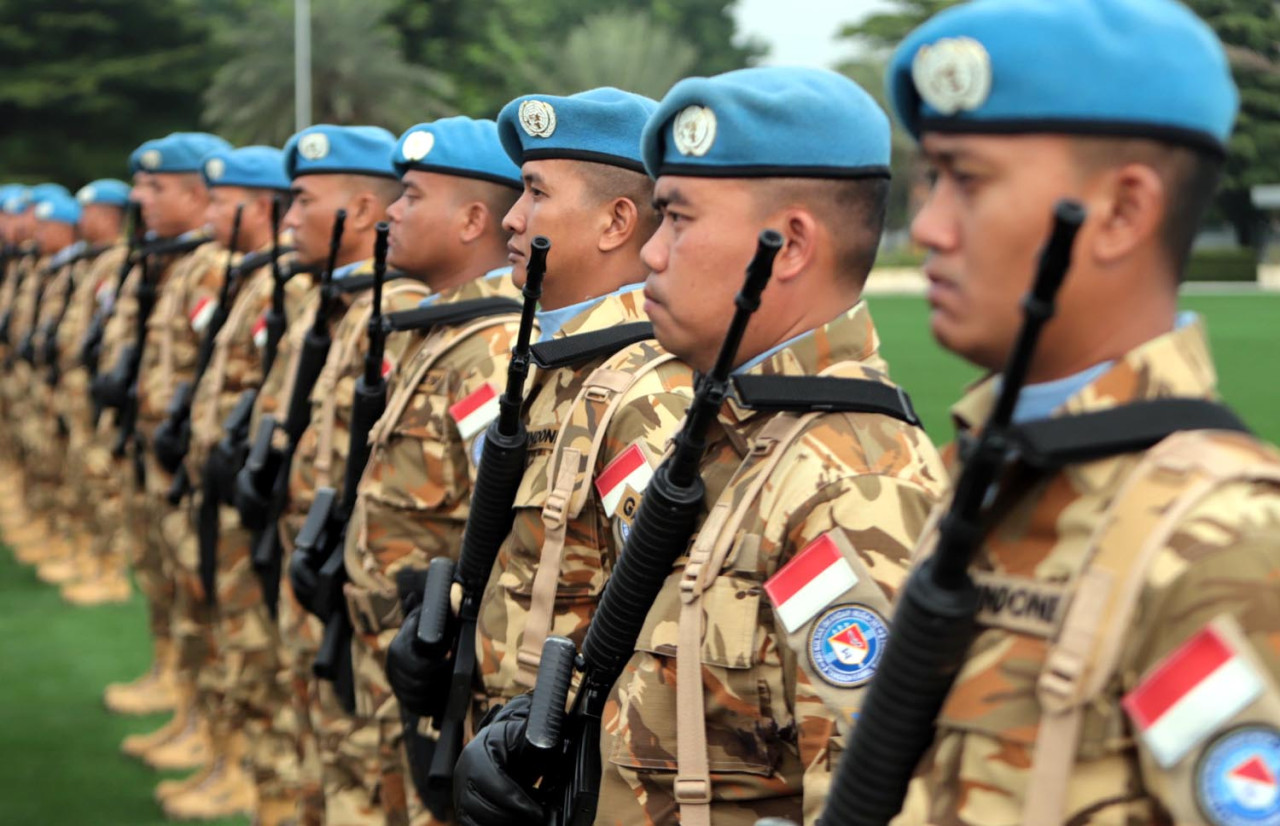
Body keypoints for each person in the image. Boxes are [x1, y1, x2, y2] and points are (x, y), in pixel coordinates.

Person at [453, 66, 946, 826]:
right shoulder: (738, 437)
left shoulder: (853, 485)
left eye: (678, 220)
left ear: (786, 248)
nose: (652, 254)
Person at [865, 0, 1280, 822]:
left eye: (969, 181)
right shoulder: (990, 474)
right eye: (931, 177)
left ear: (1123, 213)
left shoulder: (1229, 547)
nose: (929, 228)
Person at [336, 116, 523, 826]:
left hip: (432, 659)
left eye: (411, 196)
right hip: (388, 643)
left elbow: (502, 528)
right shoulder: (443, 330)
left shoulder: (489, 350)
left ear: (474, 217)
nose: (391, 211)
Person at [157, 144, 301, 822]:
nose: (210, 211)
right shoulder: (251, 277)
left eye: (222, 200)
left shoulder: (289, 287)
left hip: (265, 509)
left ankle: (254, 780)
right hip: (223, 489)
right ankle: (226, 756)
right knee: (222, 633)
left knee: (255, 652)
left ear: (259, 205)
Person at [54, 179, 134, 606]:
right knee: (82, 471)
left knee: (103, 479)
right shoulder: (95, 262)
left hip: (101, 391)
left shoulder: (119, 263)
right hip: (80, 385)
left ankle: (110, 569)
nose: (81, 220)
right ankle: (92, 556)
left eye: (89, 212)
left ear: (107, 215)